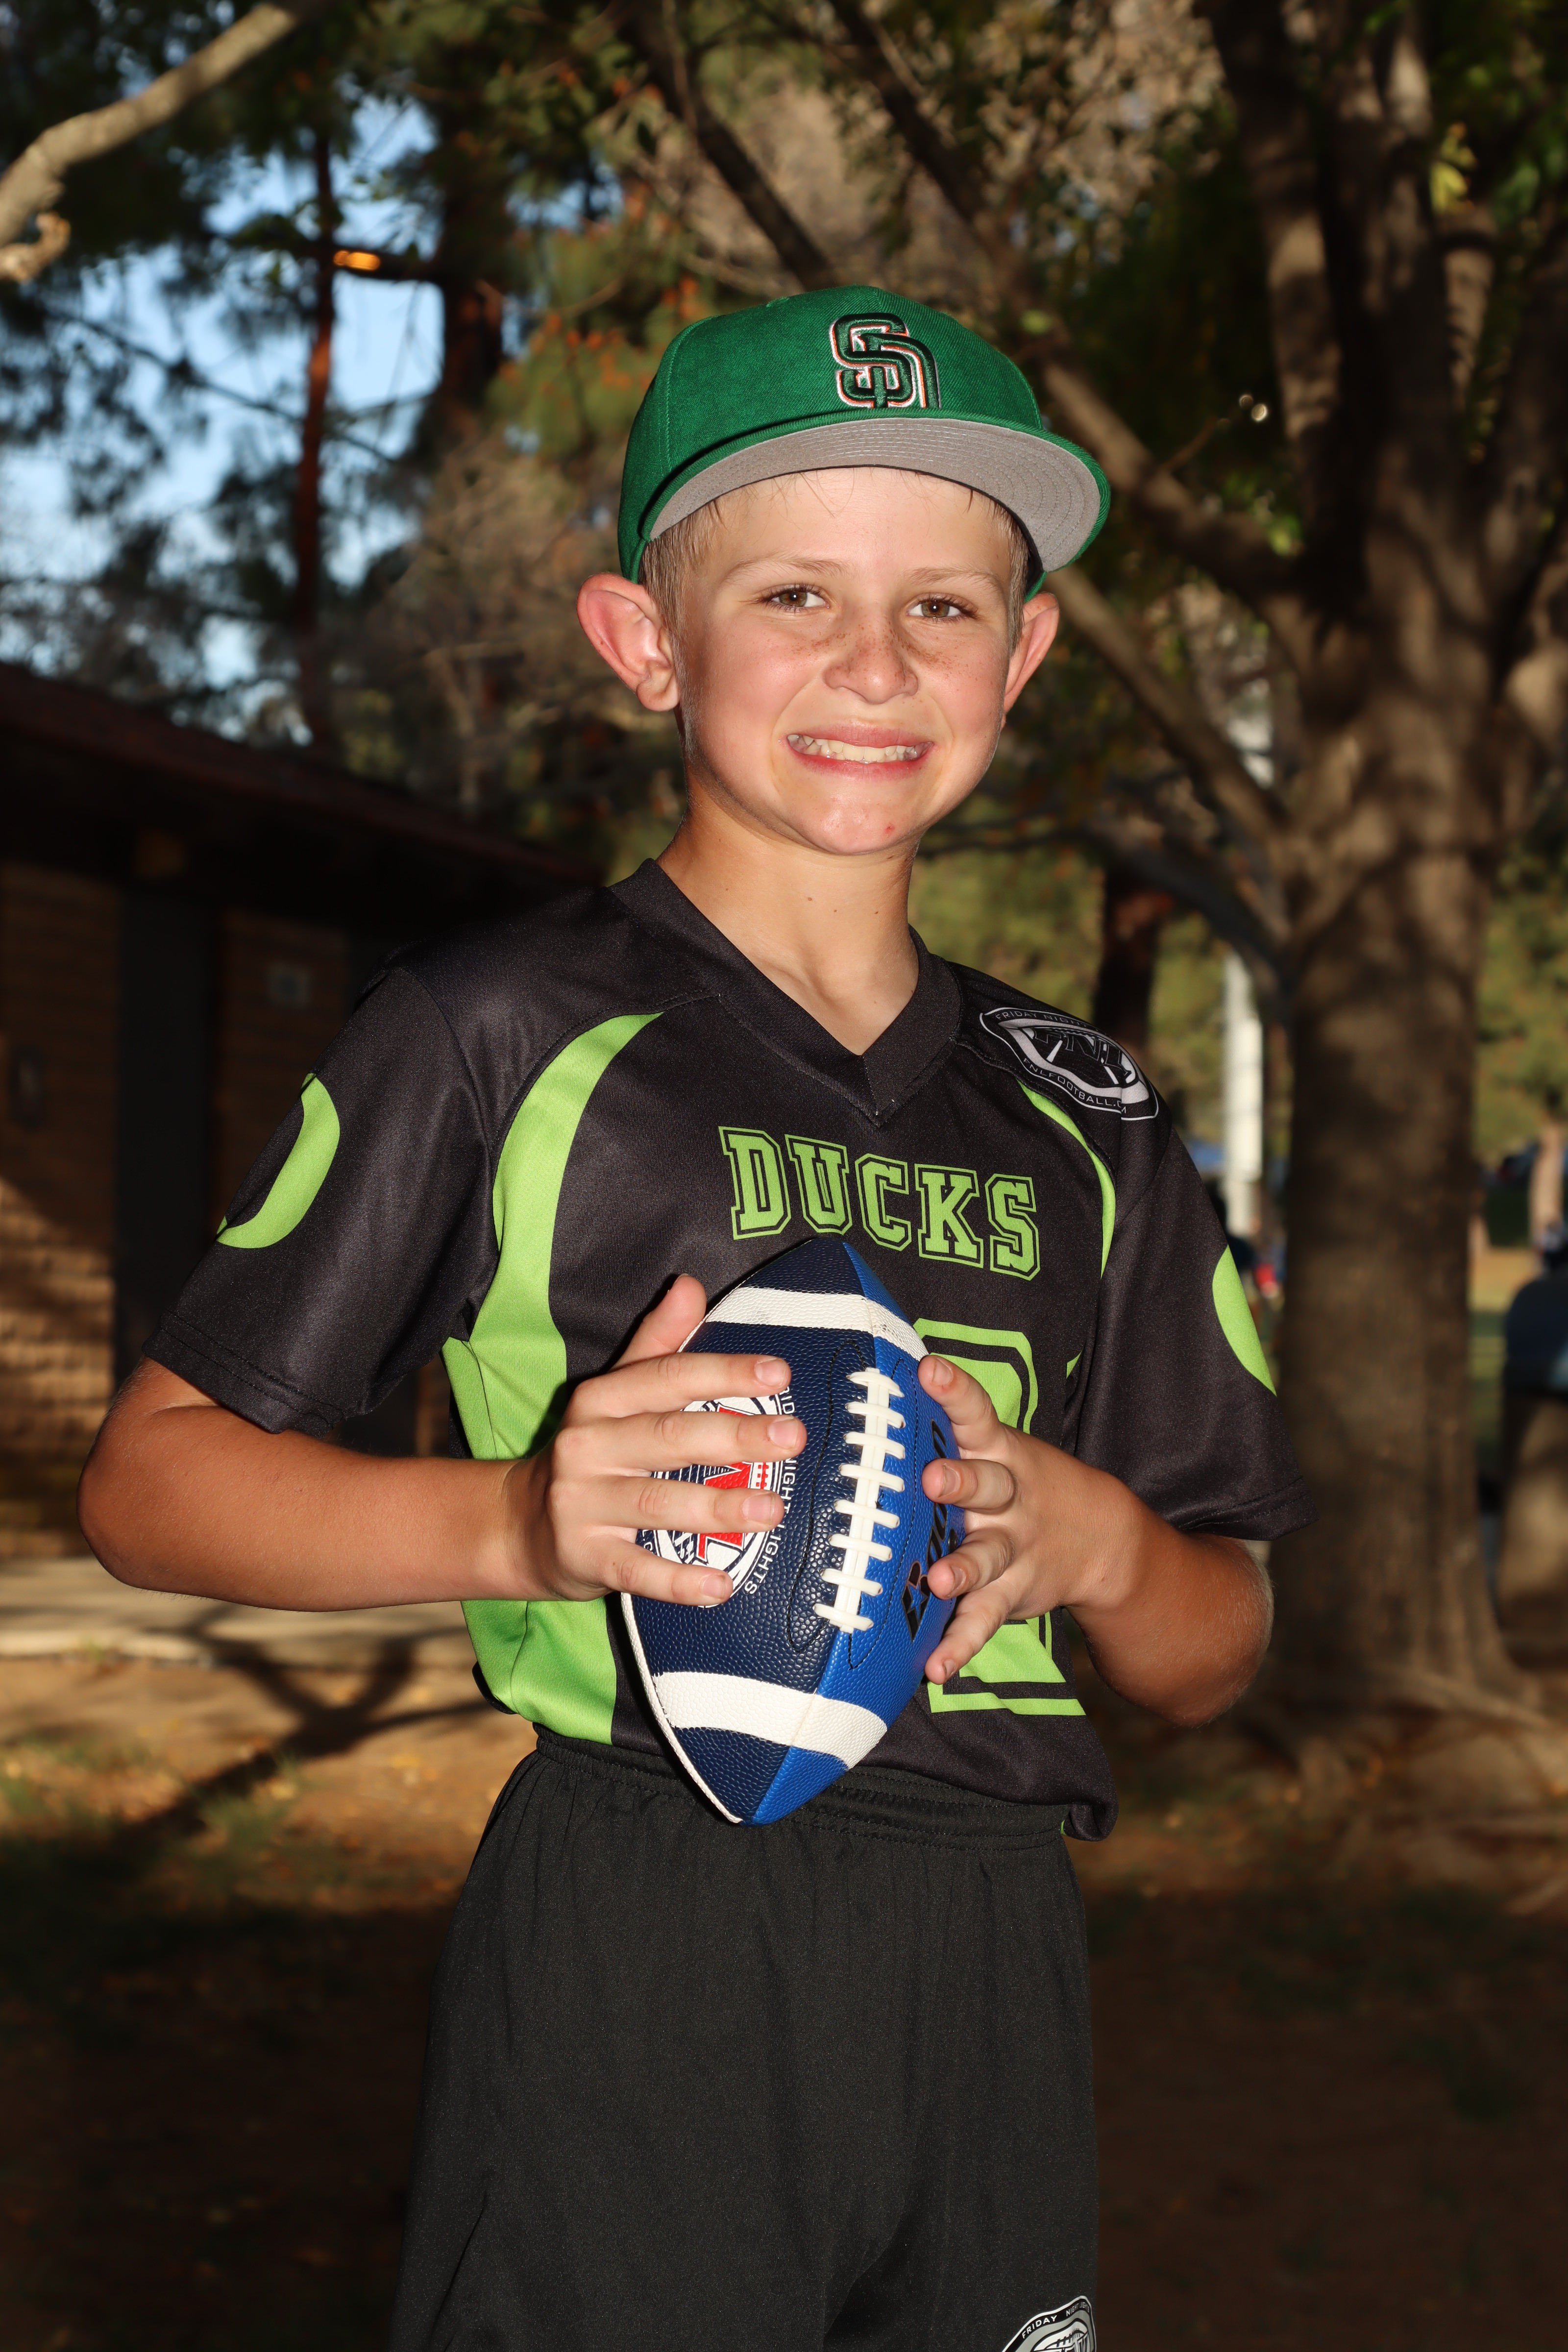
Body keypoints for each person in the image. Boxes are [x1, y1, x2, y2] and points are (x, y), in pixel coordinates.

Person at [79, 286, 1313, 2352]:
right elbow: (149, 1487)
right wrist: (512, 1521)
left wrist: (1103, 1543)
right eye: (795, 592)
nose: (873, 663)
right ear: (645, 640)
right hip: (641, 1924)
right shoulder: (497, 1029)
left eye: (942, 607)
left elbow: (1217, 1647)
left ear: (1020, 658)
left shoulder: (1089, 1113)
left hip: (993, 1957)